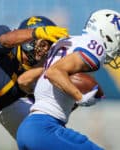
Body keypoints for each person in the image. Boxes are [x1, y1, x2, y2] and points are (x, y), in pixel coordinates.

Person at [16, 9, 120, 150]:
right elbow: (54, 72)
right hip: (45, 128)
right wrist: (80, 97)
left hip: (28, 128)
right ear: (106, 33)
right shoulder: (95, 48)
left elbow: (23, 81)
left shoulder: (69, 42)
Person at [0, 16, 69, 150]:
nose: (45, 49)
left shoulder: (33, 74)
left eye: (49, 45)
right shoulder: (0, 44)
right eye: (43, 42)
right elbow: (6, 40)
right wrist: (38, 32)